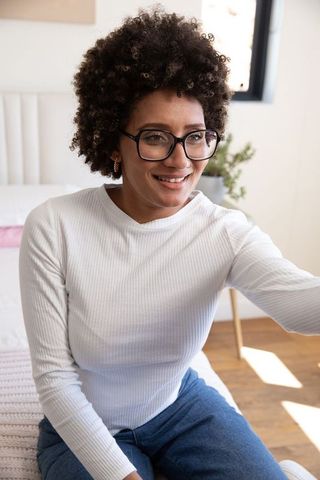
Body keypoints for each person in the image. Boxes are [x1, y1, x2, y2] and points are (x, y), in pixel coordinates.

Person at [19, 8, 320, 480]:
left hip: (180, 406)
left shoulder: (223, 231)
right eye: (155, 137)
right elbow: (55, 382)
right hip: (82, 424)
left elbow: (299, 308)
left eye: (195, 137)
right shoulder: (54, 226)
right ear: (113, 142)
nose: (180, 160)